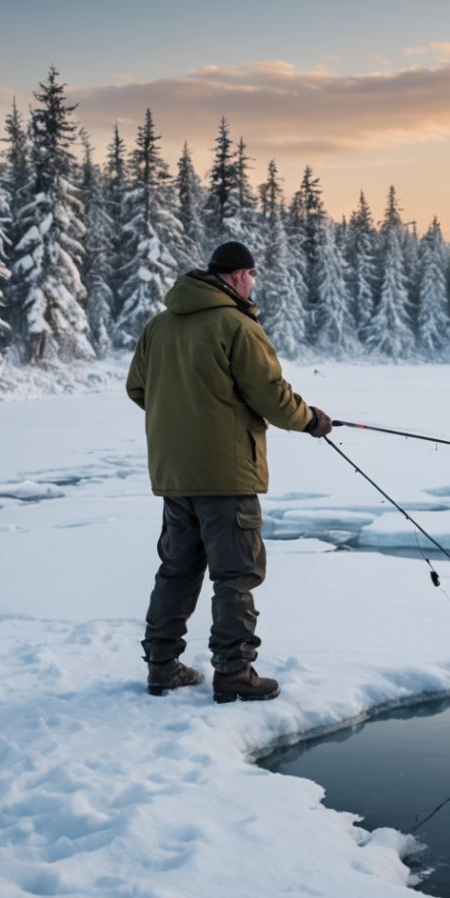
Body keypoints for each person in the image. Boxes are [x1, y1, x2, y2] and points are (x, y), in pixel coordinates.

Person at [126, 241, 334, 702]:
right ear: (239, 275)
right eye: (252, 274)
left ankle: (161, 667)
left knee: (177, 570)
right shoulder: (237, 325)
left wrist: (181, 420)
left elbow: (138, 388)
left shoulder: (158, 325)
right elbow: (272, 397)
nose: (253, 282)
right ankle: (235, 673)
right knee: (236, 575)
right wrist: (312, 420)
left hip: (174, 475)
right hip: (227, 475)